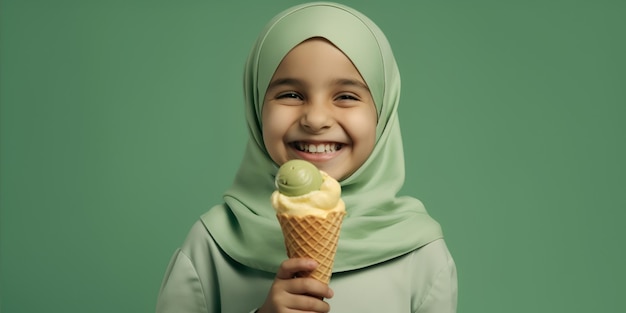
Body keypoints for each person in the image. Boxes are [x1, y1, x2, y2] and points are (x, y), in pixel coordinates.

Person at [156, 2, 457, 312]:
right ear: (256, 104)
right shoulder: (211, 245)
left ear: (383, 109)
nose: (315, 119)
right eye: (291, 94)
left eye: (346, 96)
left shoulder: (420, 253)